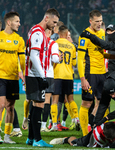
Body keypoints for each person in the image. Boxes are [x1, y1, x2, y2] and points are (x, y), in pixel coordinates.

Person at [25, 8, 59, 147]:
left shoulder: (39, 32)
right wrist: (43, 76)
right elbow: (33, 55)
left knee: (35, 104)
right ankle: (37, 140)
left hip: (35, 74)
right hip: (35, 74)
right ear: (46, 18)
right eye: (54, 22)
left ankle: (31, 138)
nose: (55, 25)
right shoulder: (38, 32)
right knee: (39, 105)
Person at [78, 10, 113, 136]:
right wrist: (82, 79)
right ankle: (84, 134)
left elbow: (102, 53)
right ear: (90, 21)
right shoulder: (84, 36)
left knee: (105, 102)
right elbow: (80, 58)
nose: (99, 23)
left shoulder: (103, 33)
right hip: (90, 73)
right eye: (97, 21)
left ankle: (100, 131)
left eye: (101, 21)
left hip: (102, 73)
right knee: (87, 103)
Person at [0, 12, 25, 144]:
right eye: (17, 21)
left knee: (10, 107)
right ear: (9, 22)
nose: (19, 24)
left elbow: (22, 59)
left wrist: (23, 73)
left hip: (13, 78)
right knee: (0, 105)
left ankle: (7, 136)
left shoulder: (19, 39)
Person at [51, 25, 79, 131]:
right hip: (68, 75)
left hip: (57, 75)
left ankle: (54, 124)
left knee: (55, 100)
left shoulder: (54, 44)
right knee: (70, 99)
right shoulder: (72, 46)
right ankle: (76, 119)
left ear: (58, 33)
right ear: (67, 34)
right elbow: (74, 63)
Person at [40, 29, 62, 132]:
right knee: (47, 100)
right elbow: (55, 59)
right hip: (48, 74)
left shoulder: (38, 41)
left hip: (37, 74)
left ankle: (32, 122)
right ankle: (44, 125)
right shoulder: (52, 43)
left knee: (35, 100)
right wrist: (59, 58)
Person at [49, 121, 115, 148]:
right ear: (103, 133)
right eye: (109, 138)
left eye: (112, 138)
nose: (111, 140)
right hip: (92, 138)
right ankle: (66, 139)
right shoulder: (97, 135)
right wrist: (110, 146)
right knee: (75, 144)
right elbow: (102, 147)